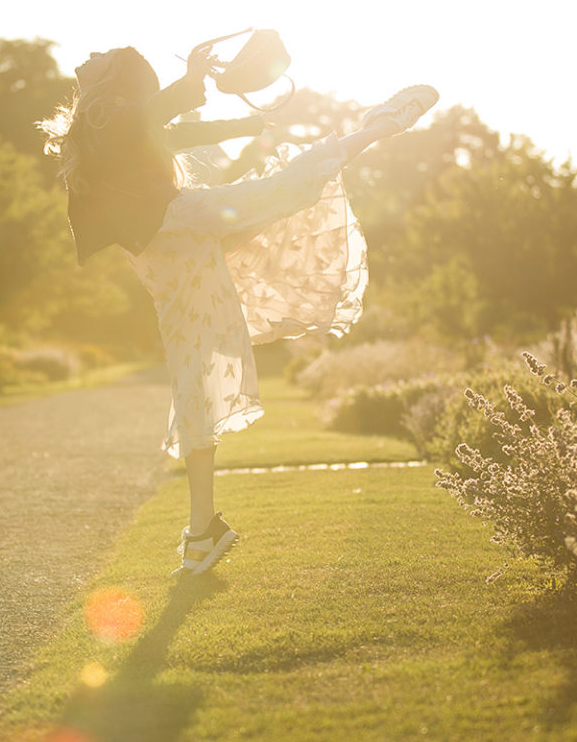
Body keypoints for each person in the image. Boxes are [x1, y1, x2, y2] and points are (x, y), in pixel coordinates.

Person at [41, 43, 437, 576]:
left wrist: (254, 126)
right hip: (167, 249)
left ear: (118, 75)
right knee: (193, 378)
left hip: (176, 230)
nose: (91, 53)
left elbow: (182, 129)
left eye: (104, 53)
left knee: (283, 193)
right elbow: (152, 116)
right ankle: (202, 530)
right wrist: (192, 80)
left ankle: (376, 127)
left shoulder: (111, 117)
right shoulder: (102, 120)